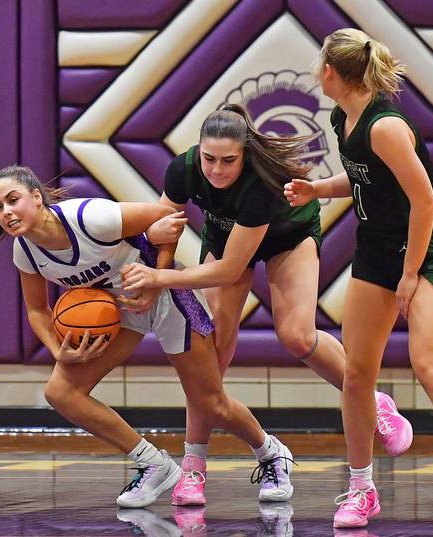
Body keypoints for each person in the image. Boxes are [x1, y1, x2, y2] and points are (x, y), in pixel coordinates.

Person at [0, 165, 295, 508]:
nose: (7, 212)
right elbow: (38, 311)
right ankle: (153, 463)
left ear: (36, 197)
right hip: (117, 312)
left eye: (13, 200)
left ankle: (270, 452)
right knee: (61, 391)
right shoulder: (24, 251)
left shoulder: (90, 217)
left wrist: (155, 278)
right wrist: (58, 350)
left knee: (209, 403)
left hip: (163, 297)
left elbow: (167, 219)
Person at [120, 103, 412, 506]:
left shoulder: (263, 183)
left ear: (245, 153)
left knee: (296, 336)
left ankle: (373, 400)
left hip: (286, 235)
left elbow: (229, 270)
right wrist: (156, 268)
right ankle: (193, 468)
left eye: (228, 161)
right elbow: (163, 228)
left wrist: (160, 279)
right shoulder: (182, 169)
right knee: (212, 356)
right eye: (209, 159)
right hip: (227, 240)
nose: (217, 170)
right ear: (198, 151)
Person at [284, 28, 433, 530]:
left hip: (422, 255)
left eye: (320, 64)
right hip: (376, 254)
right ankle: (361, 489)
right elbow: (364, 178)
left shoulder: (385, 126)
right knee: (357, 374)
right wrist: (319, 187)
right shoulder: (345, 118)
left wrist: (409, 275)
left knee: (429, 365)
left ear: (330, 71)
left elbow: (424, 201)